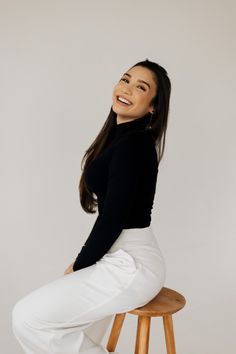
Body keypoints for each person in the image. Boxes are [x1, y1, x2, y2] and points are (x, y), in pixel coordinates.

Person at [12, 59, 171, 354]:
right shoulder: (119, 139)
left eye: (140, 87)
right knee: (59, 324)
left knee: (27, 318)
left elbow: (113, 218)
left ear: (153, 107)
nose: (126, 89)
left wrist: (80, 264)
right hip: (118, 255)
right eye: (125, 80)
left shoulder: (134, 145)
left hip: (132, 264)